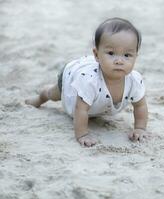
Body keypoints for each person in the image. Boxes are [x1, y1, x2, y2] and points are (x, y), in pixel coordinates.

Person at [25, 17, 149, 147]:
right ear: (96, 54)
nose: (119, 61)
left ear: (136, 57)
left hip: (95, 101)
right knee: (54, 94)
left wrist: (140, 128)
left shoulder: (134, 80)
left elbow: (140, 106)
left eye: (127, 55)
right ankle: (41, 97)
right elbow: (81, 109)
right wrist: (82, 134)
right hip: (71, 77)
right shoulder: (89, 81)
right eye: (111, 53)